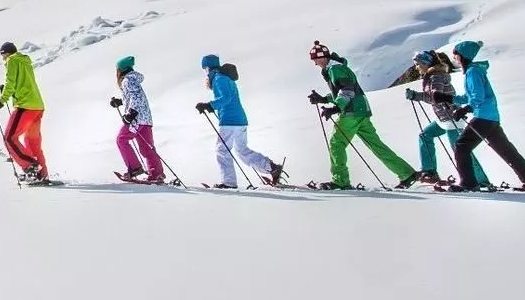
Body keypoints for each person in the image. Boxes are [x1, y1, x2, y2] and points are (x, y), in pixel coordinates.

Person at [308, 40, 420, 189]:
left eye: (316, 60)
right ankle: (406, 173)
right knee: (376, 145)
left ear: (323, 57)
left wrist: (336, 107)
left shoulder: (335, 69)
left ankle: (340, 181)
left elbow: (347, 91)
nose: (316, 64)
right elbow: (342, 90)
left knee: (337, 144)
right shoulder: (337, 67)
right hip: (361, 111)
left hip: (351, 112)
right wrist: (324, 99)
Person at [444, 40, 525, 190]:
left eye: (456, 55)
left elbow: (477, 97)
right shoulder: (474, 70)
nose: (454, 59)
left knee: (461, 146)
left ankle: (469, 184)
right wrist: (449, 98)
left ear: (463, 56)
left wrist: (465, 109)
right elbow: (470, 96)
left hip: (483, 117)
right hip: (491, 118)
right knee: (507, 150)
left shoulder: (472, 72)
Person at [390, 49, 487, 186]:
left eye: (418, 64)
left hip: (452, 118)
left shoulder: (436, 76)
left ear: (425, 63)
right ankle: (430, 171)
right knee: (425, 135)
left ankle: (481, 180)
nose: (416, 67)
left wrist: (415, 96)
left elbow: (435, 97)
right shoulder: (432, 75)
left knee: (460, 150)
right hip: (443, 119)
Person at [196, 54, 285, 187]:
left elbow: (226, 98)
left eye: (205, 69)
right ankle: (271, 167)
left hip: (229, 120)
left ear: (208, 68)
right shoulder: (225, 78)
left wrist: (209, 105)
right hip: (239, 119)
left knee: (222, 150)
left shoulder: (219, 79)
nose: (205, 72)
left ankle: (229, 182)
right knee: (241, 150)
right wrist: (211, 106)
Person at [0, 41, 50, 182]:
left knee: (9, 138)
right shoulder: (25, 61)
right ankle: (42, 174)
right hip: (37, 106)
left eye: (3, 55)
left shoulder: (12, 60)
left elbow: (11, 83)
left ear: (6, 53)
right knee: (32, 141)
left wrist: (1, 101)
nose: (3, 59)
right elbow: (20, 82)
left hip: (25, 106)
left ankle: (31, 167)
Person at [111, 56, 167, 183]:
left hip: (136, 118)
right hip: (146, 119)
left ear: (120, 70)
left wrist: (131, 113)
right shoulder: (133, 79)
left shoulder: (127, 80)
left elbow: (135, 96)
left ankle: (135, 168)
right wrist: (121, 102)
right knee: (147, 147)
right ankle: (156, 174)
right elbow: (134, 96)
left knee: (121, 139)